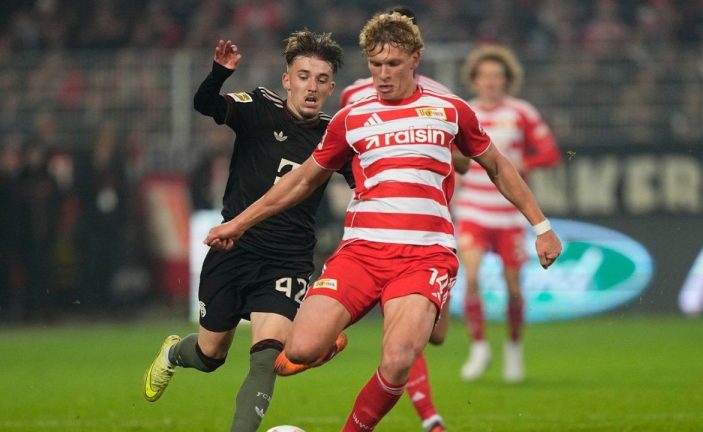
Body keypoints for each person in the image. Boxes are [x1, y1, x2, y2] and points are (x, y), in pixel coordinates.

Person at [205, 12, 561, 431]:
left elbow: (496, 166)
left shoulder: (449, 110)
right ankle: (333, 339)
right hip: (360, 253)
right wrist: (239, 223)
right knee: (299, 349)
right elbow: (301, 181)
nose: (383, 74)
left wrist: (541, 226)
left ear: (415, 59)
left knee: (397, 359)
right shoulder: (351, 118)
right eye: (375, 64)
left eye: (393, 64)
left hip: (424, 256)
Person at [141, 31, 352, 432]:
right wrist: (218, 74)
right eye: (303, 75)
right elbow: (205, 104)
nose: (312, 86)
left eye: (321, 79)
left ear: (331, 87)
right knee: (210, 356)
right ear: (287, 79)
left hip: (286, 260)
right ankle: (173, 354)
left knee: (266, 356)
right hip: (233, 249)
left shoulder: (335, 135)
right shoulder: (258, 106)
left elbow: (364, 183)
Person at [338, 7, 459, 432]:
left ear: (414, 50)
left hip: (431, 224)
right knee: (403, 336)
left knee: (436, 335)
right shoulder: (355, 95)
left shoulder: (441, 98)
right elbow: (338, 146)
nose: (387, 67)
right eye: (379, 59)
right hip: (377, 227)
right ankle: (430, 418)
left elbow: (460, 157)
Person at [454, 45, 562, 383]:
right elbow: (454, 158)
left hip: (510, 215)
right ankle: (479, 347)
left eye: (497, 76)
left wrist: (520, 167)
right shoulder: (464, 112)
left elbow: (550, 152)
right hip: (474, 209)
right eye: (485, 76)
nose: (491, 82)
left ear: (507, 80)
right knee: (470, 279)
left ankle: (513, 349)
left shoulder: (521, 112)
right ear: (474, 79)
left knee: (514, 289)